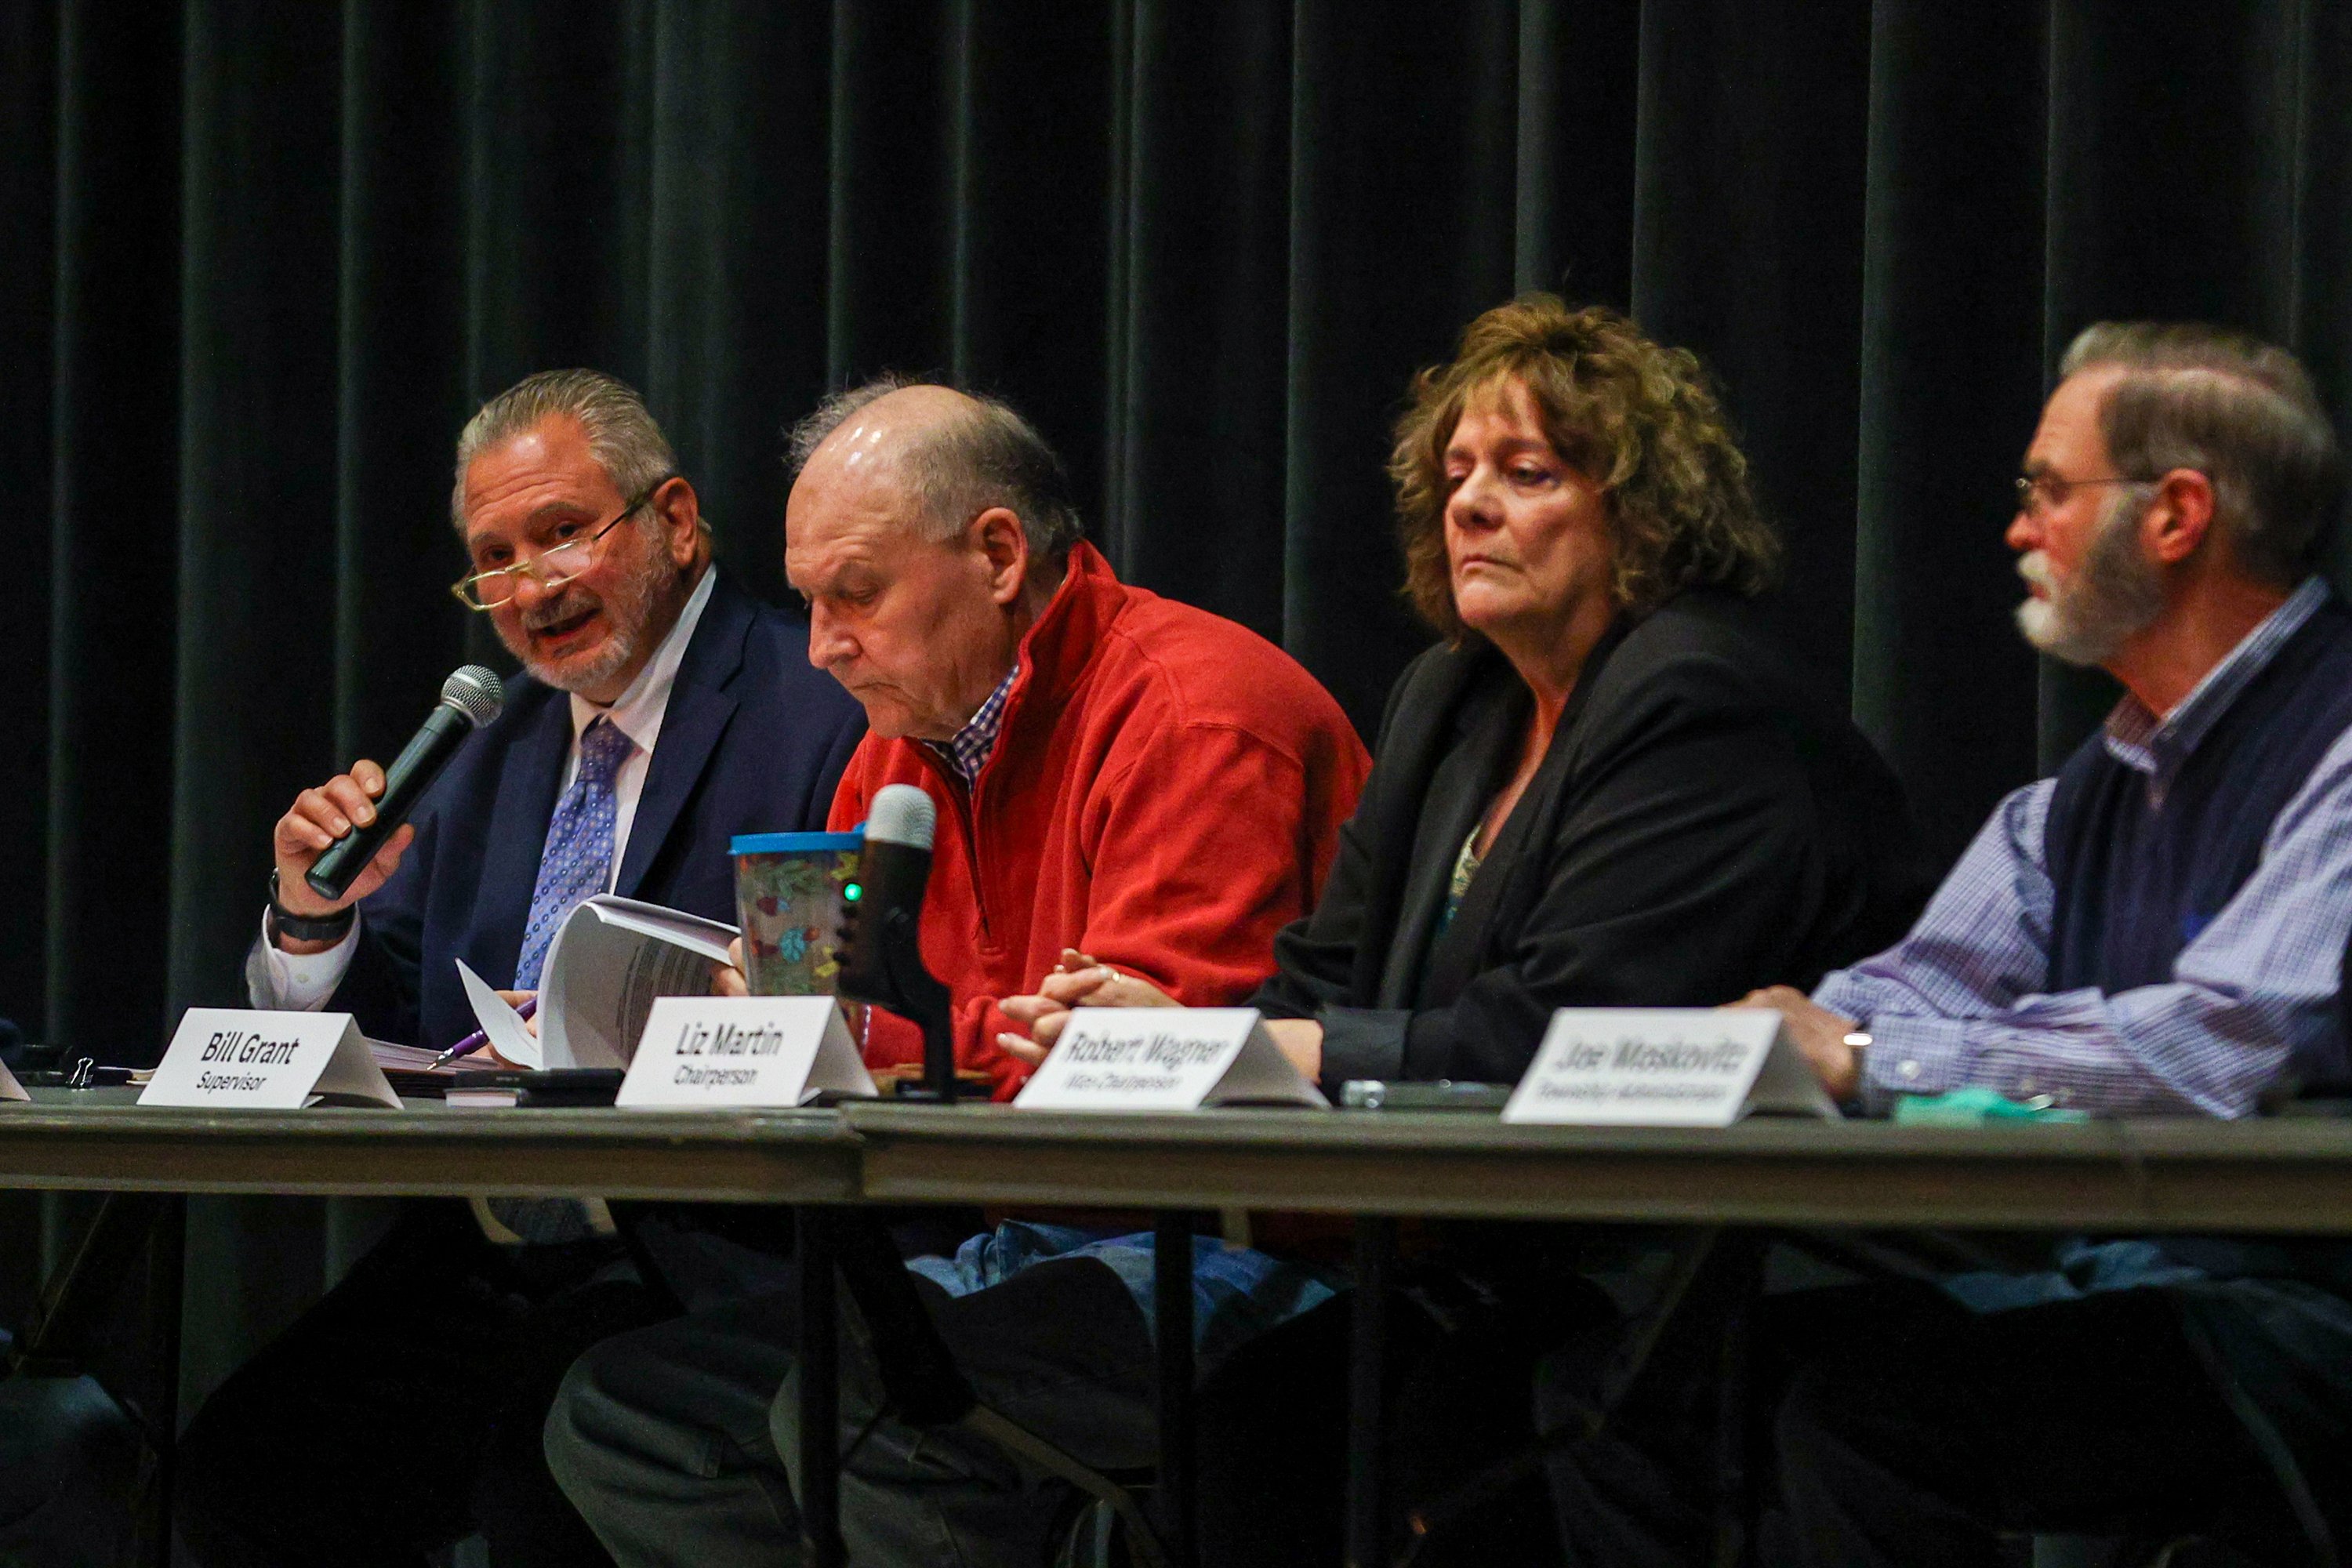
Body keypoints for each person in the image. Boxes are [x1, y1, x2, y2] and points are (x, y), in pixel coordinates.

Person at [1027, 295, 1927, 1563]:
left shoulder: (1700, 700)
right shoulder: (1452, 696)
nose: (1470, 506)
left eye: (1528, 473)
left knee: (1424, 1439)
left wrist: (1271, 1054)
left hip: (1717, 1263)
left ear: (1642, 510)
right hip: (1508, 1255)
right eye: (1456, 475)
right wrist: (1169, 1036)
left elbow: (1561, 1033)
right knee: (1252, 1423)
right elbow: (1320, 976)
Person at [546, 377, 1372, 1566]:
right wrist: (754, 1033)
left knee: (870, 1416)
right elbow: (832, 1028)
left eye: (858, 596)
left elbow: (1141, 1080)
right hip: (1030, 1243)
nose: (823, 646)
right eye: (810, 604)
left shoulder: (1198, 715)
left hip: (1246, 1254)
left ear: (995, 554)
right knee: (632, 1416)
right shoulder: (892, 754)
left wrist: (860, 1045)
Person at [1565, 322, 2352, 1565]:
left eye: (2048, 491)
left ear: (2178, 514)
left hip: (2300, 1309)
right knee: (1656, 1392)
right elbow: (1904, 989)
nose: (2018, 529)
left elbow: (2227, 1044)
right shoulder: (2085, 793)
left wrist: (1864, 1055)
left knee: (1870, 1421)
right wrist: (1791, 1034)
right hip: (2122, 1273)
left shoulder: (2339, 749)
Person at [174, 370, 866, 1568]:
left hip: (711, 1256)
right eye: (494, 559)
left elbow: (853, 1002)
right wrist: (309, 924)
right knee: (245, 1470)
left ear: (676, 519)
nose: (532, 588)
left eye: (561, 533)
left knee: (537, 1485)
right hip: (489, 1251)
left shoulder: (818, 701)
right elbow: (399, 1022)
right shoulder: (488, 744)